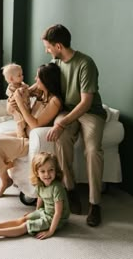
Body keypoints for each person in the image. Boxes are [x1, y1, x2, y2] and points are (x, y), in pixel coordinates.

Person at [0, 63, 63, 209]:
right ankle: (5, 180)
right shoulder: (41, 92)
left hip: (31, 140)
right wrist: (14, 100)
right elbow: (20, 92)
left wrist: (20, 103)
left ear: (47, 80)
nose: (35, 79)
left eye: (38, 77)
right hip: (23, 134)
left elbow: (36, 124)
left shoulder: (54, 101)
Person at [41, 24, 107, 227]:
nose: (47, 50)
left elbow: (86, 102)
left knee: (93, 150)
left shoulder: (86, 63)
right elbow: (42, 82)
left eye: (48, 46)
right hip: (68, 109)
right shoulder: (55, 62)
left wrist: (61, 122)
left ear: (58, 45)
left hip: (90, 112)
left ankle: (95, 204)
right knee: (60, 139)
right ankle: (70, 191)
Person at [0, 152, 70, 240]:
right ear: (37, 173)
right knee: (23, 219)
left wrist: (50, 231)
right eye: (43, 171)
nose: (47, 174)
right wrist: (36, 213)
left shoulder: (57, 188)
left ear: (55, 170)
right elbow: (40, 198)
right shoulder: (40, 184)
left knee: (25, 226)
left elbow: (58, 213)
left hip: (56, 218)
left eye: (51, 170)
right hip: (45, 212)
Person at [2, 63, 31, 138]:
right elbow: (14, 97)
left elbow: (28, 89)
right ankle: (21, 137)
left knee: (27, 121)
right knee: (20, 122)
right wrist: (19, 91)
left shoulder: (22, 84)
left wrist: (26, 88)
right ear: (11, 79)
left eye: (22, 74)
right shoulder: (10, 88)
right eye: (19, 75)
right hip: (16, 109)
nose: (22, 76)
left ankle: (25, 133)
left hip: (25, 106)